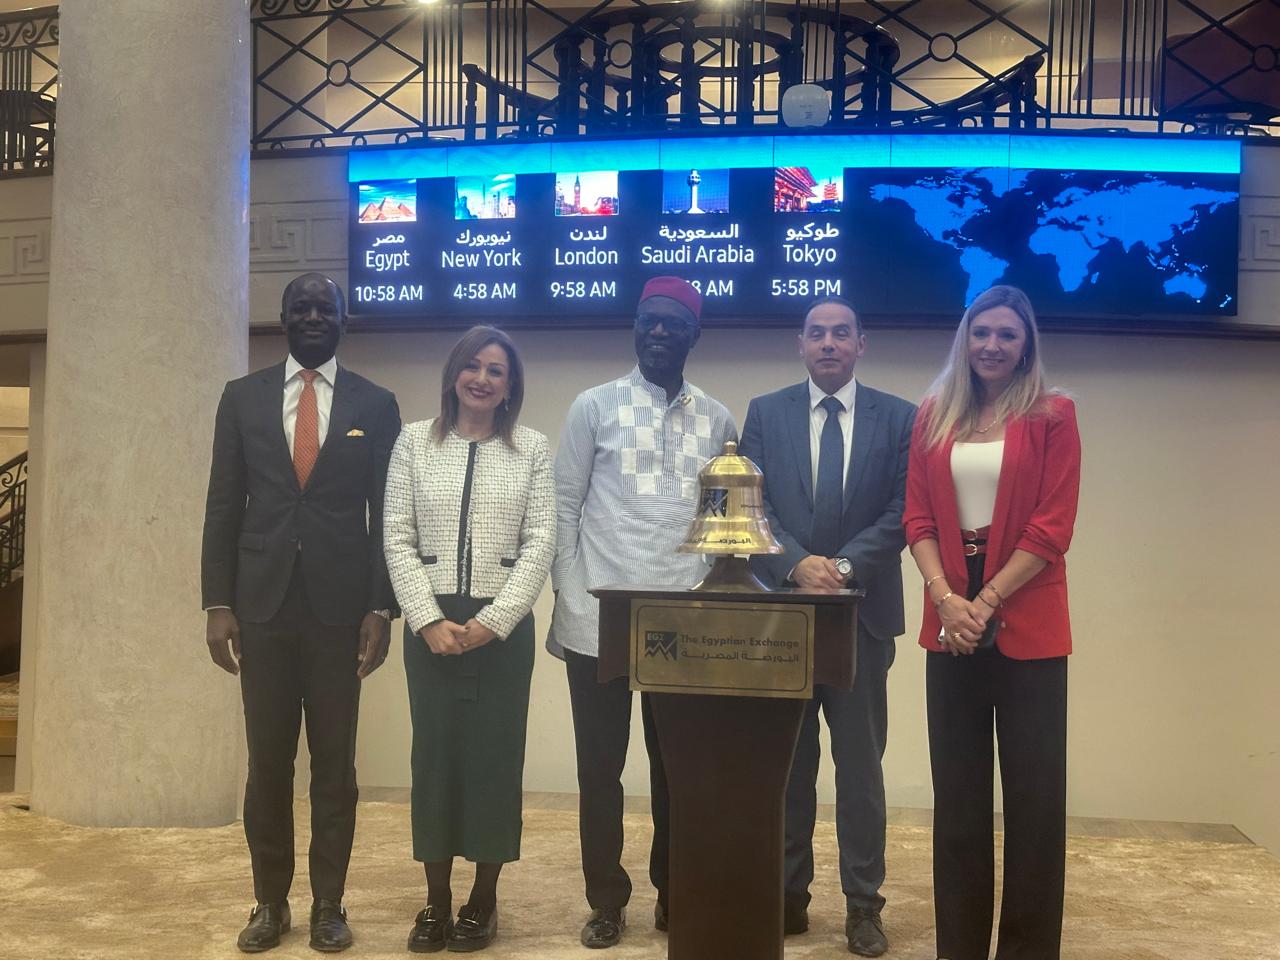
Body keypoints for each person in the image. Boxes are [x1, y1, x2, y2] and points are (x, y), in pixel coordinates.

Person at [202, 272, 401, 954]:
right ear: (283, 319)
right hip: (261, 608)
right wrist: (218, 602)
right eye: (301, 308)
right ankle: (269, 902)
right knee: (267, 765)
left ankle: (328, 906)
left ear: (345, 320)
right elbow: (223, 504)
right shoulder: (241, 398)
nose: (314, 317)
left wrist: (381, 606)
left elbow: (387, 516)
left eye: (326, 309)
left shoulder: (376, 404)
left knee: (335, 767)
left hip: (341, 612)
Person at [549, 276, 737, 949]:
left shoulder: (718, 420)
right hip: (597, 616)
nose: (658, 332)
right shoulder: (594, 406)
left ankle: (673, 892)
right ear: (635, 326)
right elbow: (563, 506)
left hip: (682, 618)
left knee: (678, 769)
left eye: (672, 323)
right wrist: (571, 595)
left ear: (694, 334)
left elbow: (722, 524)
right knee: (599, 770)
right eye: (648, 320)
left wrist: (712, 605)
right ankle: (606, 901)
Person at [903, 285, 1081, 960]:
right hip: (950, 619)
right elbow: (917, 517)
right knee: (959, 803)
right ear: (965, 339)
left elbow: (1052, 526)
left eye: (1007, 334)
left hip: (1028, 617)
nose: (992, 346)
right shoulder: (933, 414)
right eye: (981, 333)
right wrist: (947, 599)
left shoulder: (1053, 414)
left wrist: (986, 601)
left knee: (1035, 804)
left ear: (1026, 344)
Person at [738, 295, 915, 957]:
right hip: (784, 617)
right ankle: (788, 898)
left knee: (860, 770)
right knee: (789, 765)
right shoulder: (766, 413)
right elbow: (751, 508)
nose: (829, 343)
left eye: (842, 333)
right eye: (817, 333)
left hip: (862, 619)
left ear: (861, 344)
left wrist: (840, 566)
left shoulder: (900, 417)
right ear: (801, 344)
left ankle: (864, 907)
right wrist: (795, 563)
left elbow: (904, 510)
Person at [382, 326, 554, 954]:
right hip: (432, 626)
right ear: (454, 373)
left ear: (510, 387)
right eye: (473, 366)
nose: (482, 379)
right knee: (434, 762)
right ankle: (434, 901)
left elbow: (541, 540)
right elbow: (396, 534)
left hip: (500, 632)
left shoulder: (532, 448)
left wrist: (495, 620)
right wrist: (426, 619)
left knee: (493, 763)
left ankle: (482, 901)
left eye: (496, 371)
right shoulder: (412, 442)